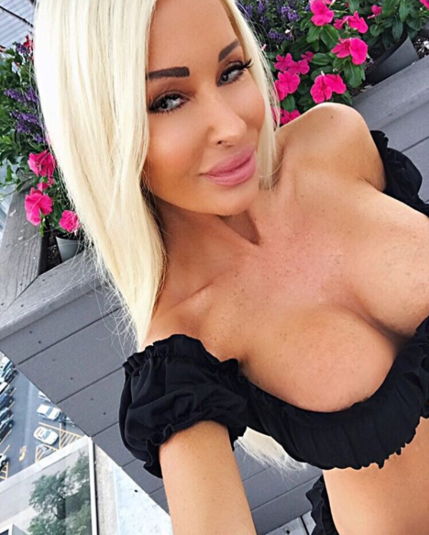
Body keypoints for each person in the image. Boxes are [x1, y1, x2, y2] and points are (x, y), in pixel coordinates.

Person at [32, 0, 429, 534]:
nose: (230, 125)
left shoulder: (336, 139)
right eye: (168, 100)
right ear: (103, 134)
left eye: (231, 70)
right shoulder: (184, 342)